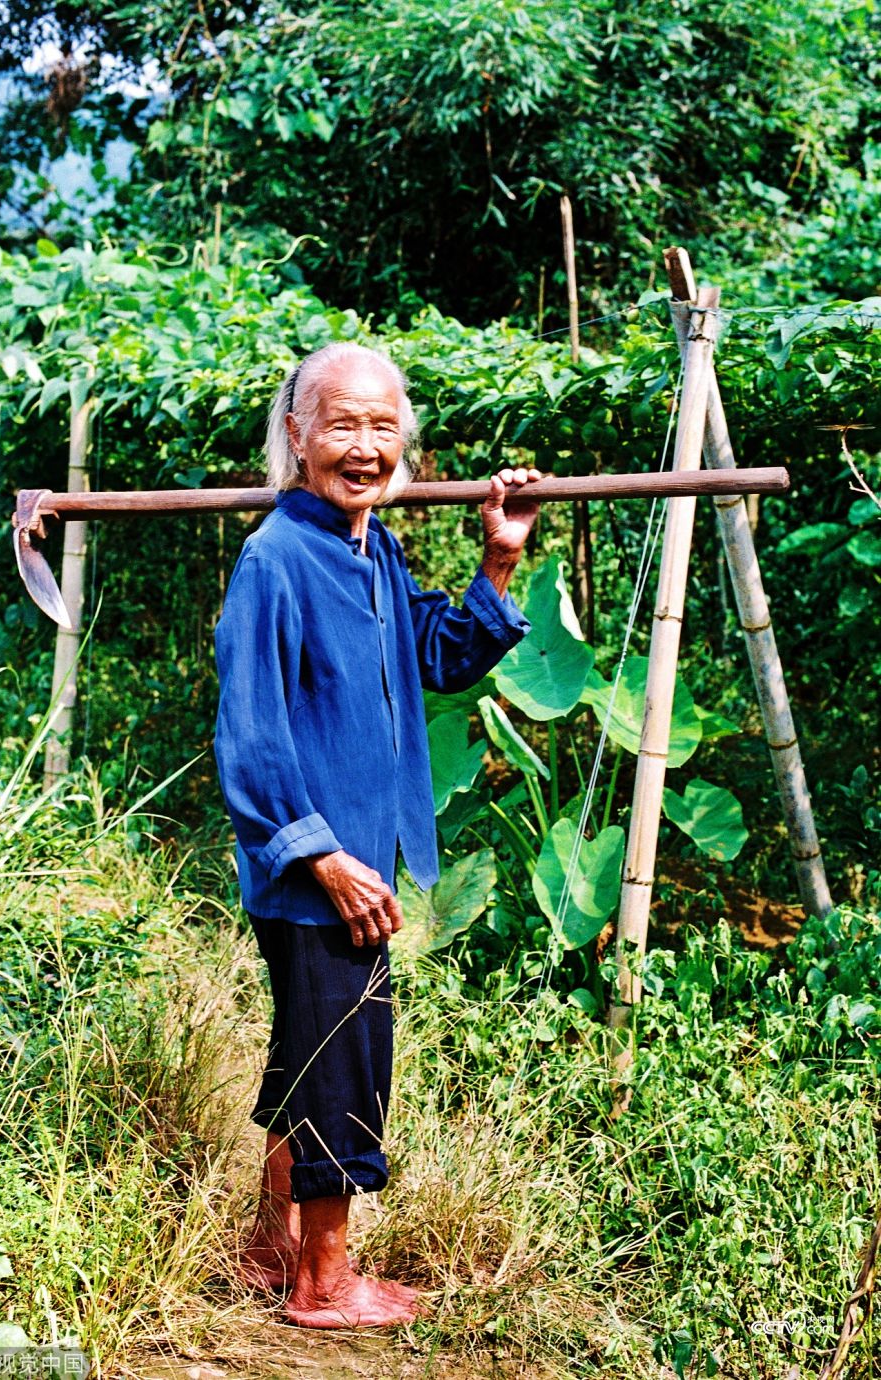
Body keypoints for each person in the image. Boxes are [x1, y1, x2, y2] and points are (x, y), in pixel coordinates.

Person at [213, 341, 541, 1328]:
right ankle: (324, 1283)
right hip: (321, 868)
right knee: (344, 1061)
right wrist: (324, 858)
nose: (364, 446)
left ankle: (272, 1246)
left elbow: (435, 656)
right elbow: (250, 735)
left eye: (382, 426)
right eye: (342, 425)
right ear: (297, 435)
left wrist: (498, 559)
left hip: (355, 856)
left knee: (306, 1051)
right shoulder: (276, 559)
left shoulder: (374, 550)